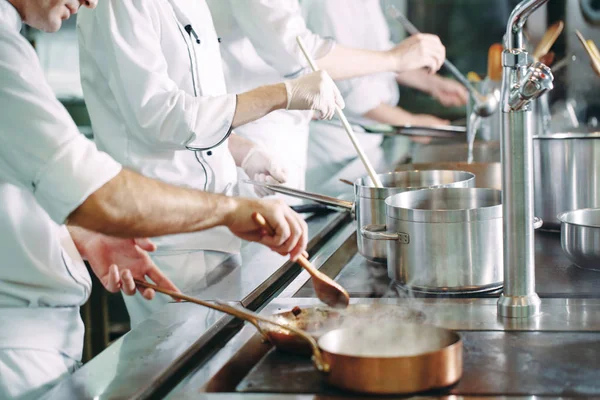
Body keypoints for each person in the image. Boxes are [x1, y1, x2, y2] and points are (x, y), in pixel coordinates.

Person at [0, 0, 308, 398]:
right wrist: (229, 212)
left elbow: (18, 180)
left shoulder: (12, 43)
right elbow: (105, 183)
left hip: (43, 327)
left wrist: (83, 234)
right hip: (17, 339)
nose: (92, 0)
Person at [75, 0, 342, 327]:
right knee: (184, 363)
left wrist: (242, 152)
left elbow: (198, 106)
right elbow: (160, 117)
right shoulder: (121, 5)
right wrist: (280, 95)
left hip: (217, 223)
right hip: (166, 234)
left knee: (220, 352)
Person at [206, 0, 446, 196]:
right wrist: (394, 60)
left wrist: (422, 76)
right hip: (255, 131)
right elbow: (295, 51)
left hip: (280, 130)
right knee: (267, 240)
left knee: (284, 236)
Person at [301, 0, 469, 192]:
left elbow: (383, 55)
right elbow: (353, 93)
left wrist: (433, 84)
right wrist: (411, 123)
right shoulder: (331, 5)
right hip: (334, 149)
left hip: (366, 140)